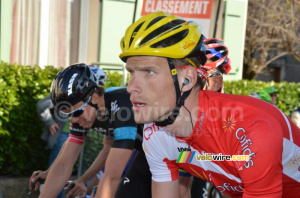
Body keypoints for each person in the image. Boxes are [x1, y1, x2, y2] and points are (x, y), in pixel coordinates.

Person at [120, 11, 300, 197]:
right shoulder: (155, 134)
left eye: (149, 72)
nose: (131, 87)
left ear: (187, 79)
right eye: (132, 72)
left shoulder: (250, 129)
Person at [29, 64, 147, 198]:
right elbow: (63, 165)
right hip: (149, 153)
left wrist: (85, 181)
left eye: (77, 112)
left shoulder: (122, 106)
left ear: (95, 98)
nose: (73, 120)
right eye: (68, 114)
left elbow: (111, 176)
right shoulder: (86, 112)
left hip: (172, 150)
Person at [36, 94, 70, 198]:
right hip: (62, 137)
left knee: (61, 173)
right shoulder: (67, 90)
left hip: (74, 137)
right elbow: (41, 105)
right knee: (56, 173)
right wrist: (50, 122)